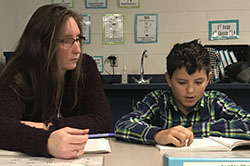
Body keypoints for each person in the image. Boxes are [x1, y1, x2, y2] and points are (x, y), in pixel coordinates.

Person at [0, 4, 110, 159]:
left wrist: (50, 126)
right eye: (67, 41)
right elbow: (3, 125)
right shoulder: (18, 74)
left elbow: (102, 120)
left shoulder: (85, 66)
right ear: (42, 45)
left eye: (78, 39)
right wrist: (48, 142)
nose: (77, 49)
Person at [115, 39, 250, 147]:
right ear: (168, 79)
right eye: (181, 82)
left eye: (198, 82)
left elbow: (247, 122)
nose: (190, 90)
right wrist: (158, 134)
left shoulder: (216, 101)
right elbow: (123, 125)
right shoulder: (157, 100)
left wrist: (194, 130)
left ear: (208, 79)